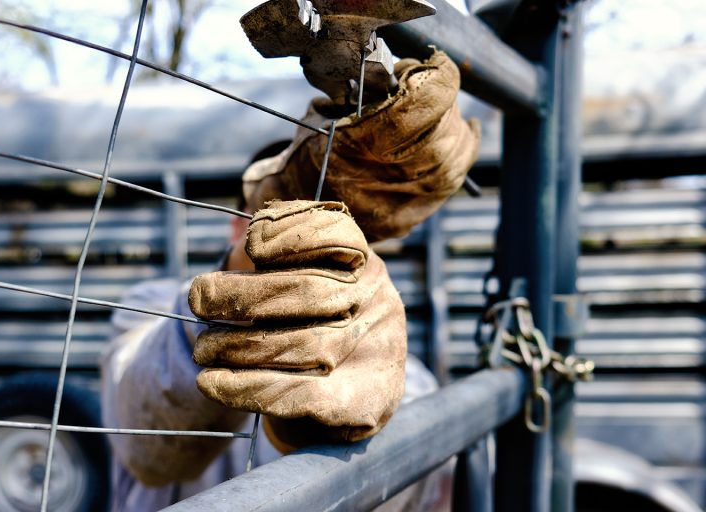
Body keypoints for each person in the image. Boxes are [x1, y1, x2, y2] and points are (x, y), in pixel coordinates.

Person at [100, 49, 480, 511]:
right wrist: (246, 278)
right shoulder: (150, 305)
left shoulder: (389, 353)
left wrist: (345, 431)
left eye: (319, 218)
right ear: (233, 226)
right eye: (264, 211)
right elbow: (146, 446)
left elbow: (425, 489)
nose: (292, 232)